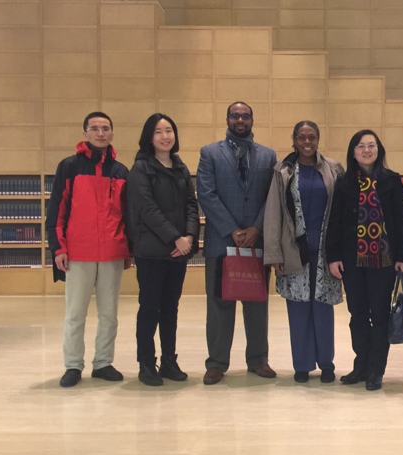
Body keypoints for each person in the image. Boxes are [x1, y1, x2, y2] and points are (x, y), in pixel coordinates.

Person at [46, 111, 131, 388]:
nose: (100, 133)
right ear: (85, 134)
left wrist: (127, 250)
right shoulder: (69, 167)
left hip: (112, 253)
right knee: (75, 314)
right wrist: (59, 248)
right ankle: (73, 365)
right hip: (78, 253)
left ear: (112, 133)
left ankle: (103, 362)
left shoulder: (121, 171)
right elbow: (56, 211)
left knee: (109, 314)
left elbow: (128, 215)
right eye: (94, 128)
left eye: (105, 128)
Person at [196, 102, 277, 385]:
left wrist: (256, 227)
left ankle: (258, 360)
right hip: (221, 241)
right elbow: (206, 193)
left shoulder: (268, 155)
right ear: (227, 119)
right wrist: (232, 229)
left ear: (252, 119)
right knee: (219, 305)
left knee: (257, 304)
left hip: (256, 241)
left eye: (245, 116)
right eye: (235, 115)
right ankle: (216, 363)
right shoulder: (209, 153)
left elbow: (272, 196)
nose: (240, 120)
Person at [326, 129, 403, 391]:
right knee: (357, 314)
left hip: (384, 260)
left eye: (371, 145)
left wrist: (401, 256)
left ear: (378, 150)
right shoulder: (343, 183)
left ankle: (376, 370)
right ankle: (361, 365)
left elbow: (400, 222)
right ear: (353, 152)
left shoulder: (392, 181)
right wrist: (333, 257)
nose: (366, 150)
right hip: (352, 260)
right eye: (361, 146)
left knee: (380, 316)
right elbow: (335, 222)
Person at [263, 121, 344, 384]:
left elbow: (342, 212)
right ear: (294, 140)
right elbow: (273, 213)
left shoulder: (333, 169)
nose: (306, 142)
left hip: (325, 251)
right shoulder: (282, 171)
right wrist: (274, 254)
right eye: (301, 137)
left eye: (311, 137)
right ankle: (302, 364)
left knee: (323, 309)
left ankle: (326, 364)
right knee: (297, 309)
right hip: (294, 249)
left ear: (318, 139)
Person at [127, 113, 200, 386]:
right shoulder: (140, 168)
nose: (165, 136)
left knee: (171, 308)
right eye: (158, 132)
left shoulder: (180, 167)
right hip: (152, 252)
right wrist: (175, 238)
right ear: (149, 137)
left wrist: (189, 237)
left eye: (169, 130)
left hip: (178, 252)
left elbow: (191, 204)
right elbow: (147, 209)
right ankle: (147, 363)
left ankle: (169, 360)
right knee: (149, 308)